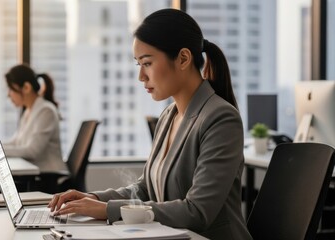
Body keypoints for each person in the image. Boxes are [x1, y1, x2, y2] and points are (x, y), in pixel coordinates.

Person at [48, 9, 252, 239]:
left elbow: (197, 212)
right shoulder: (168, 115)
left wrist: (107, 210)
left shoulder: (221, 118)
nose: (141, 77)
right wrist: (93, 198)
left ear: (183, 59)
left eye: (147, 63)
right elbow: (145, 189)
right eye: (139, 64)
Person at [0, 64, 68, 173]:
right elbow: (15, 142)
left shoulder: (45, 111)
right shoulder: (29, 111)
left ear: (26, 88)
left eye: (11, 89)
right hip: (35, 174)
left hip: (49, 176)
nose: (9, 95)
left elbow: (31, 151)